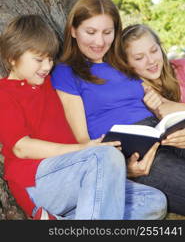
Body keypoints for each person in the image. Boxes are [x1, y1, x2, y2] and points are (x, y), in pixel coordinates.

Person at [0, 14, 167, 221]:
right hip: (36, 181)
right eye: (38, 59)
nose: (46, 66)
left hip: (79, 179)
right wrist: (84, 149)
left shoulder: (52, 84)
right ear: (12, 58)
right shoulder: (4, 92)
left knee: (153, 200)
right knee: (104, 155)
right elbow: (21, 148)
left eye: (50, 58)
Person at [51, 0, 168, 219]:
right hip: (132, 152)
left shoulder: (123, 64)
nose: (99, 42)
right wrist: (123, 168)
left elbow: (161, 104)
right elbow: (83, 140)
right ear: (73, 31)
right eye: (91, 32)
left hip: (159, 132)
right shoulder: (67, 72)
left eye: (107, 32)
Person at [120, 23, 185, 215]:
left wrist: (165, 104)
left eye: (153, 50)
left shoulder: (180, 68)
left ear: (160, 46)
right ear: (127, 63)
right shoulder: (135, 90)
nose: (150, 61)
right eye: (139, 58)